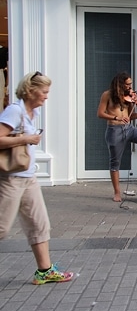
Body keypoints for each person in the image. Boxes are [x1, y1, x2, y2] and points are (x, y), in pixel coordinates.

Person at [0, 71, 74, 285]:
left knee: (39, 224)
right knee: (2, 228)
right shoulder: (15, 111)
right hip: (11, 179)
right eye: (44, 92)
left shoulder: (33, 114)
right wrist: (26, 138)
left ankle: (45, 271)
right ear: (31, 91)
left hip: (28, 178)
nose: (46, 96)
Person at [97, 72, 137, 202]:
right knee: (115, 162)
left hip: (129, 129)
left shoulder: (129, 97)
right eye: (127, 84)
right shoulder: (107, 95)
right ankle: (117, 192)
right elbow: (100, 113)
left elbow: (131, 116)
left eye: (130, 84)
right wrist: (116, 117)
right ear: (120, 84)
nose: (130, 87)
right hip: (114, 130)